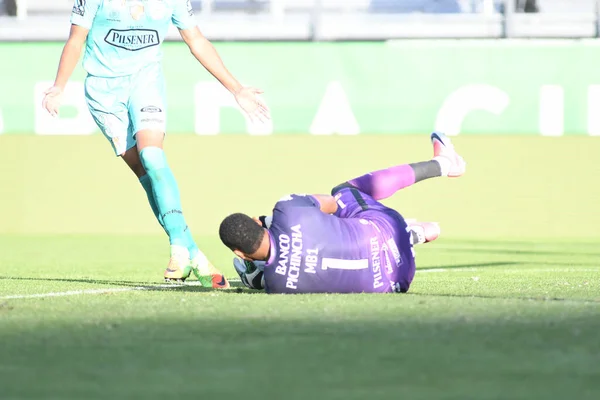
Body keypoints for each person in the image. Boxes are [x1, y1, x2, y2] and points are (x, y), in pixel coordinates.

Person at [42, 0, 270, 287]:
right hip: (103, 92)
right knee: (145, 175)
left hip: (145, 83)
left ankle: (177, 249)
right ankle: (194, 254)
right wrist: (59, 86)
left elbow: (196, 40)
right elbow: (77, 39)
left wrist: (236, 88)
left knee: (152, 156)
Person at [219, 132, 466, 294]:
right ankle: (444, 164)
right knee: (343, 191)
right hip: (387, 227)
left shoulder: (277, 286)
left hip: (398, 282)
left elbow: (282, 268)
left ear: (240, 253)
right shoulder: (287, 209)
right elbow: (333, 205)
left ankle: (413, 235)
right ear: (255, 221)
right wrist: (277, 222)